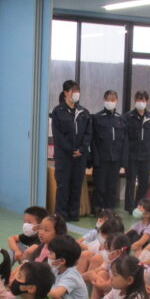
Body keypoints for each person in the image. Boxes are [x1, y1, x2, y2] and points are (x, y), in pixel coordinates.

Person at [51, 80, 91, 221]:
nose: (76, 94)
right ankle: (61, 215)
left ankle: (73, 214)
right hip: (64, 156)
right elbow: (58, 136)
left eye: (78, 91)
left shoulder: (84, 112)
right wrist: (71, 150)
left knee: (76, 185)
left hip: (80, 157)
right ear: (66, 93)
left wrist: (81, 149)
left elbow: (88, 134)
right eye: (73, 91)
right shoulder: (58, 111)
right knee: (63, 186)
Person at [91, 90, 127, 212]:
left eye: (113, 100)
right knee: (100, 185)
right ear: (104, 100)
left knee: (112, 186)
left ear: (117, 101)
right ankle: (98, 209)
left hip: (115, 158)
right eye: (108, 99)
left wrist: (123, 161)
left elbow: (124, 141)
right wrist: (95, 158)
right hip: (101, 158)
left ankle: (109, 209)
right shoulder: (97, 118)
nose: (110, 102)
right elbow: (93, 141)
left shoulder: (121, 119)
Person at [47, 235, 89, 299]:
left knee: (52, 295)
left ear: (62, 261)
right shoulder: (56, 269)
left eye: (50, 253)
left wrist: (38, 287)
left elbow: (56, 294)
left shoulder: (71, 275)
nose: (48, 256)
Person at [124, 91, 150, 214]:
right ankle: (129, 207)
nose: (140, 102)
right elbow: (125, 136)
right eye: (138, 100)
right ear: (134, 100)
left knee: (144, 182)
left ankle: (139, 205)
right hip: (132, 155)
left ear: (147, 101)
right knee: (130, 181)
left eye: (143, 100)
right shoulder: (128, 116)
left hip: (146, 155)